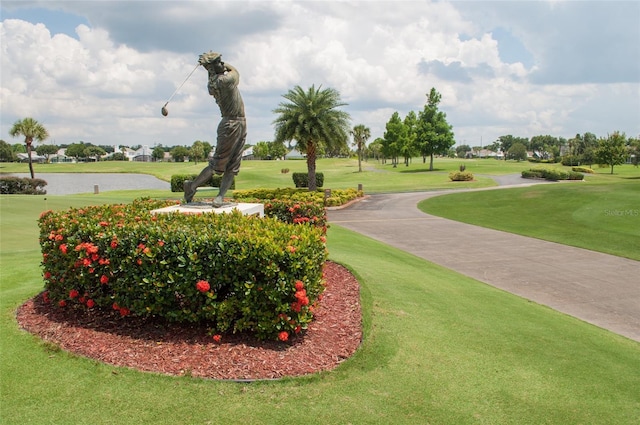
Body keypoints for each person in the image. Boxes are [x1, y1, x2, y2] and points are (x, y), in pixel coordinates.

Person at [184, 51, 247, 207]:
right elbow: (236, 72)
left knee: (233, 166)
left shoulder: (213, 81)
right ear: (212, 68)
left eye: (221, 61)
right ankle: (191, 187)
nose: (222, 64)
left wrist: (213, 66)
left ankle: (220, 196)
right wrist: (223, 65)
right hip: (230, 124)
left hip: (240, 123)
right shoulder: (223, 81)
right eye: (218, 62)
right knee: (217, 165)